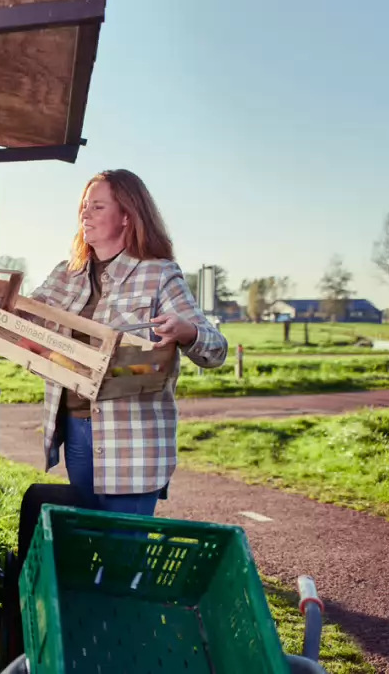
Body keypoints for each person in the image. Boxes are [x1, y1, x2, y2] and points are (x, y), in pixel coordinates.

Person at [19, 169, 228, 517]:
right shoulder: (65, 274)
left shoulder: (158, 274)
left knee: (124, 549)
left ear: (127, 216)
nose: (85, 214)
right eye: (84, 206)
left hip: (132, 439)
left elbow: (216, 350)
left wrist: (186, 331)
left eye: (98, 207)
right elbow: (25, 320)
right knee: (87, 537)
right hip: (77, 429)